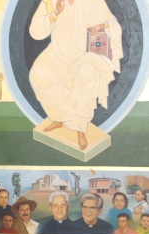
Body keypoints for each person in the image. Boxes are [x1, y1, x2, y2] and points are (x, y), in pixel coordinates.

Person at [28, 0, 123, 151]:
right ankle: (58, 117)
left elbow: (112, 22)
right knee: (38, 73)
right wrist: (54, 15)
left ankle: (80, 130)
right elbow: (36, 32)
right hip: (56, 53)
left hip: (84, 54)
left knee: (86, 75)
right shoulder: (50, 1)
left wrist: (102, 26)